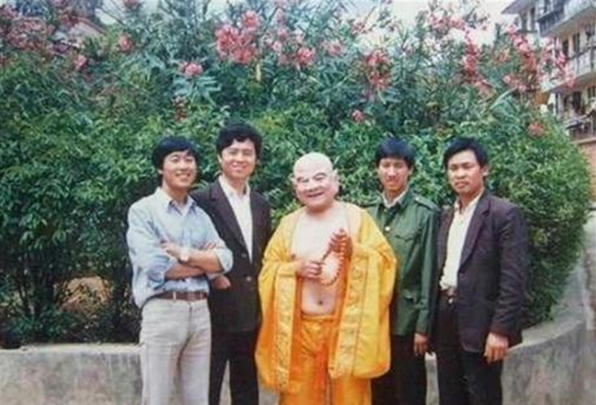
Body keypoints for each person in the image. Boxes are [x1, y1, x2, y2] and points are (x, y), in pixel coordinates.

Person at [255, 152, 397, 405]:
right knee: (298, 399)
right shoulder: (289, 225)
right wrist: (294, 269)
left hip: (347, 331)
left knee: (350, 397)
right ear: (294, 185)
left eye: (319, 178)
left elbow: (386, 263)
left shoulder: (356, 218)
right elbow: (268, 270)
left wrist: (354, 250)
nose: (312, 186)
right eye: (303, 180)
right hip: (301, 331)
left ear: (335, 180)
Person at [126, 136, 233, 405]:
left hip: (200, 312)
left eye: (189, 159)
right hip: (163, 310)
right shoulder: (143, 211)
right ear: (160, 168)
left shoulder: (200, 215)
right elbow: (155, 266)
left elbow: (225, 259)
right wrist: (206, 265)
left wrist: (184, 254)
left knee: (199, 398)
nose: (184, 166)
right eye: (175, 159)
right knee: (157, 397)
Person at [432, 137, 529, 405]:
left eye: (467, 167)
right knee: (450, 395)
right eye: (453, 168)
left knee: (483, 395)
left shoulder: (504, 214)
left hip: (482, 323)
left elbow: (513, 279)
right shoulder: (447, 215)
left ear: (484, 169)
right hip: (446, 317)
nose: (460, 174)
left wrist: (500, 330)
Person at [192, 123, 271, 405]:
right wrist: (213, 275)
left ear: (256, 159)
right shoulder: (200, 200)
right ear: (220, 157)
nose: (240, 158)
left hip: (250, 310)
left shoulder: (261, 204)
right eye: (233, 152)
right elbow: (193, 249)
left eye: (247, 153)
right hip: (212, 309)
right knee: (206, 388)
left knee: (247, 387)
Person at [368, 138, 439, 405]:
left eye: (398, 166)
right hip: (373, 320)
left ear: (410, 170)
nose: (391, 172)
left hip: (407, 322)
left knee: (409, 392)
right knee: (378, 392)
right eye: (385, 165)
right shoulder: (366, 214)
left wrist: (423, 327)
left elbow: (429, 273)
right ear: (377, 169)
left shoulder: (425, 213)